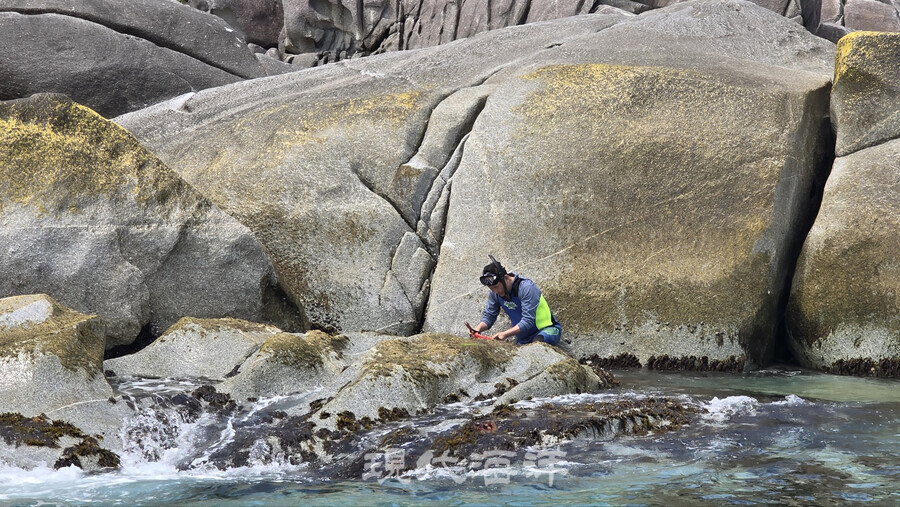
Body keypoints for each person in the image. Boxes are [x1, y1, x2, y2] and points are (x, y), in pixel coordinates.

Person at [468, 255, 562, 346]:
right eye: (491, 288)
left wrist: (505, 334)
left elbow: (528, 320)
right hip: (524, 339)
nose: (495, 291)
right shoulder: (495, 294)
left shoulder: (526, 288)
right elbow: (489, 316)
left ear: (506, 278)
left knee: (537, 345)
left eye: (496, 287)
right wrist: (477, 329)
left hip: (547, 331)